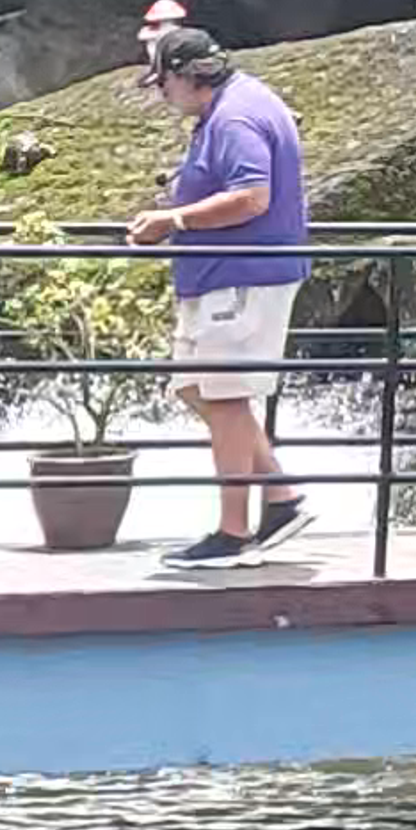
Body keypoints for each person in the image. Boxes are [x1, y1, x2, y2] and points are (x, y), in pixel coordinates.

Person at [126, 32, 312, 567]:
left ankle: (233, 534)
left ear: (187, 75)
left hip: (242, 279)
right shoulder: (238, 104)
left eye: (162, 82)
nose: (161, 94)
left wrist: (173, 220)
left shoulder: (234, 117)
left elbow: (253, 197)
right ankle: (281, 497)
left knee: (226, 397)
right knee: (192, 386)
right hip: (224, 277)